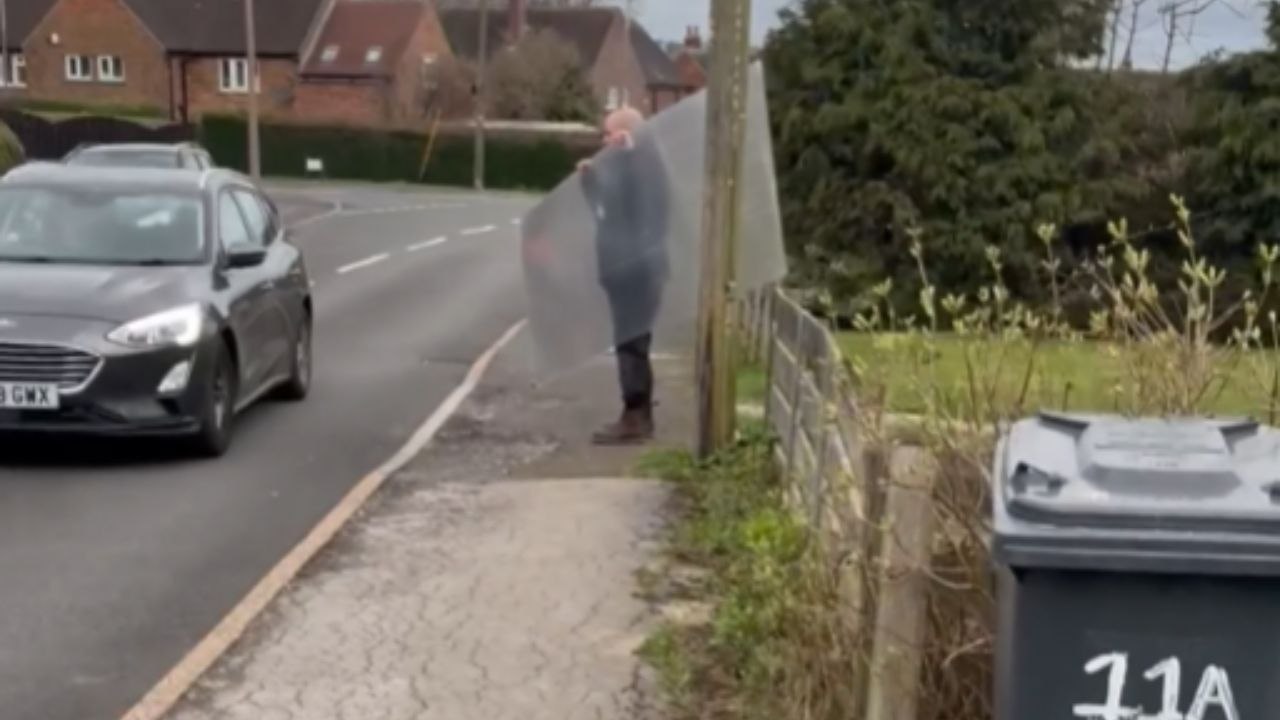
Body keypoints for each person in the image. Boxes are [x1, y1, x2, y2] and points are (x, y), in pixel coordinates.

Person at [579, 106, 670, 445]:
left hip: (640, 272)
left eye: (610, 134)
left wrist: (631, 150)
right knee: (629, 340)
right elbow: (606, 212)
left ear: (627, 133)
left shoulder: (646, 162)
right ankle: (635, 413)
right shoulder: (623, 167)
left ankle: (637, 416)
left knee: (632, 342)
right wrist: (590, 183)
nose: (604, 141)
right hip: (621, 271)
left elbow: (651, 201)